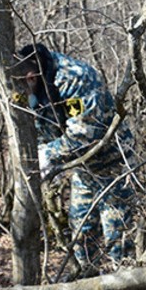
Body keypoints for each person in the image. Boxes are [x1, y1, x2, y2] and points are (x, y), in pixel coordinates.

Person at [11, 43, 136, 272]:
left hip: (114, 165)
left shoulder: (74, 79)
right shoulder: (33, 83)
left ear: (30, 78)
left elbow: (85, 135)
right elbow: (39, 128)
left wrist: (47, 155)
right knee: (81, 233)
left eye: (23, 92)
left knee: (118, 237)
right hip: (84, 169)